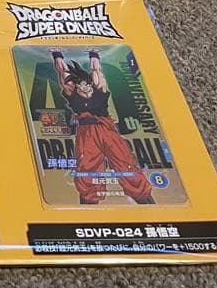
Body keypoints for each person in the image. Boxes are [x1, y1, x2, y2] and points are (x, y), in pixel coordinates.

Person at [51, 49, 153, 205]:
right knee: (87, 168)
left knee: (125, 162)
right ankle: (88, 206)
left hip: (106, 129)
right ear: (77, 86)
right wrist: (57, 55)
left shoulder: (99, 89)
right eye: (80, 85)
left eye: (87, 84)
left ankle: (145, 200)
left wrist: (94, 54)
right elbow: (62, 72)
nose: (84, 87)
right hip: (87, 133)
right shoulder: (73, 94)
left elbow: (96, 69)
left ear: (90, 83)